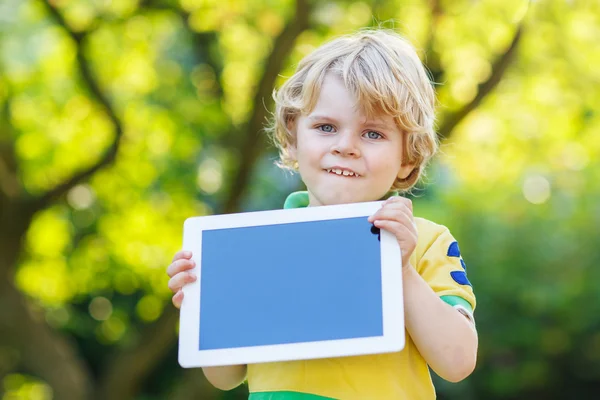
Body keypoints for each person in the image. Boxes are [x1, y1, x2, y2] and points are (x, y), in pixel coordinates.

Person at [166, 29, 477, 400]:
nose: (345, 146)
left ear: (407, 156)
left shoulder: (424, 242)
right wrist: (206, 309)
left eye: (373, 134)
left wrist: (402, 271)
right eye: (326, 127)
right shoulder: (257, 248)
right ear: (293, 138)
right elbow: (226, 376)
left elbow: (457, 362)